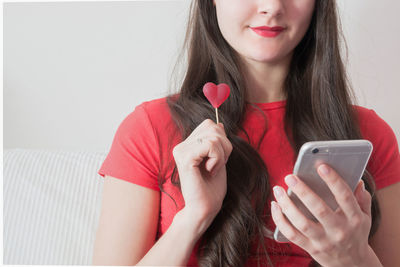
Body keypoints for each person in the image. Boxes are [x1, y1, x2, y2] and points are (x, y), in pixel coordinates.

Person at [92, 0, 400, 266]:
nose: (272, 7)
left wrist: (355, 260)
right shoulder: (149, 128)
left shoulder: (369, 135)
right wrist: (195, 216)